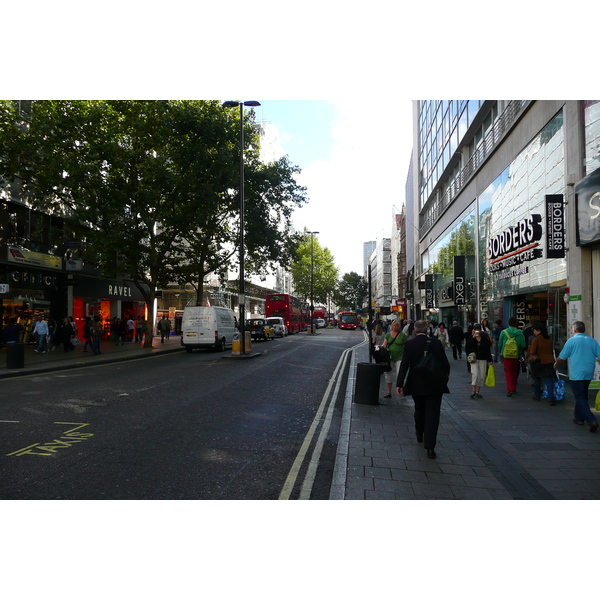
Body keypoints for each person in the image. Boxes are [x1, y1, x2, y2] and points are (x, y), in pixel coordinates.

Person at [396, 320, 450, 459]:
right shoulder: (436, 343)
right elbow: (445, 364)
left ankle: (419, 432)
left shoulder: (409, 344)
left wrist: (399, 384)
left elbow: (404, 365)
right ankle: (430, 447)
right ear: (427, 330)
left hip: (416, 384)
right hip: (434, 385)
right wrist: (443, 380)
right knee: (433, 415)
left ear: (415, 330)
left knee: (419, 410)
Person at [554, 321, 600, 433]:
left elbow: (562, 356)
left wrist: (556, 364)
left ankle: (591, 420)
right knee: (583, 394)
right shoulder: (592, 341)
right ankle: (579, 418)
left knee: (579, 396)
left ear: (574, 330)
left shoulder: (571, 341)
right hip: (588, 372)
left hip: (576, 373)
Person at [497, 317, 527, 396]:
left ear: (508, 324)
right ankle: (513, 386)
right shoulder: (520, 333)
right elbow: (523, 345)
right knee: (515, 371)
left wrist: (500, 352)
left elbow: (499, 344)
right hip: (516, 355)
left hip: (506, 355)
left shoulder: (503, 332)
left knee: (508, 372)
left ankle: (510, 388)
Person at [528, 324, 556, 405]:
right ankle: (551, 398)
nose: (534, 332)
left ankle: (537, 396)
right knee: (549, 380)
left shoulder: (535, 340)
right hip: (549, 361)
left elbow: (532, 352)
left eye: (535, 330)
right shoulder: (549, 340)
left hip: (538, 362)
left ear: (539, 331)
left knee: (537, 378)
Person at [465, 324, 493, 398]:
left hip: (483, 358)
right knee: (475, 374)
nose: (477, 331)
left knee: (482, 376)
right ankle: (473, 390)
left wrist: (490, 359)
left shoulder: (484, 338)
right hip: (474, 359)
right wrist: (473, 337)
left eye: (478, 329)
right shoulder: (471, 338)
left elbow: (487, 349)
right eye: (476, 329)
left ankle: (478, 391)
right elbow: (467, 347)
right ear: (473, 330)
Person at [380, 321, 407, 399]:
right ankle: (389, 392)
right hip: (390, 357)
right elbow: (384, 345)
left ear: (399, 327)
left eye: (397, 325)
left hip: (400, 357)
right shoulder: (388, 335)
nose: (395, 327)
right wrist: (381, 348)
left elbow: (407, 345)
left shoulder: (403, 335)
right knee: (388, 374)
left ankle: (401, 391)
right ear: (392, 326)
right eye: (394, 325)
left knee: (400, 374)